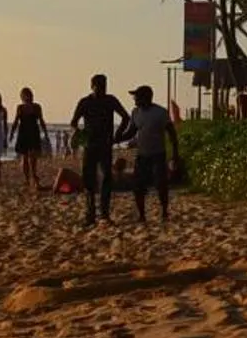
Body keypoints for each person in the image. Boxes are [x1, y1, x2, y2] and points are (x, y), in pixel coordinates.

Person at [70, 75, 128, 227]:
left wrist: (117, 135)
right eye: (99, 85)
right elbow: (74, 122)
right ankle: (90, 215)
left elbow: (125, 117)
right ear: (92, 86)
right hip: (90, 145)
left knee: (106, 178)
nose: (103, 88)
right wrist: (81, 137)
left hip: (105, 145)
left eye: (104, 85)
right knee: (89, 181)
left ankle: (104, 214)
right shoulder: (85, 102)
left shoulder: (110, 100)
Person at [120, 86, 175, 223]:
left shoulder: (160, 112)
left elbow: (171, 133)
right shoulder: (135, 112)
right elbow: (131, 132)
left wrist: (175, 154)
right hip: (142, 155)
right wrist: (117, 138)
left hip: (158, 154)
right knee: (138, 186)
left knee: (160, 184)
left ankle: (164, 212)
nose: (134, 99)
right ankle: (142, 215)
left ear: (146, 97)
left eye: (137, 97)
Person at [11, 87, 48, 192]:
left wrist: (45, 132)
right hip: (23, 133)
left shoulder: (37, 107)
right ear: (22, 97)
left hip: (33, 133)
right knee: (25, 158)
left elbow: (41, 120)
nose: (28, 97)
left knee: (33, 158)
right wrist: (12, 133)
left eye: (29, 95)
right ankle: (27, 179)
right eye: (25, 95)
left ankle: (34, 177)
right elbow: (15, 121)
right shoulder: (20, 108)